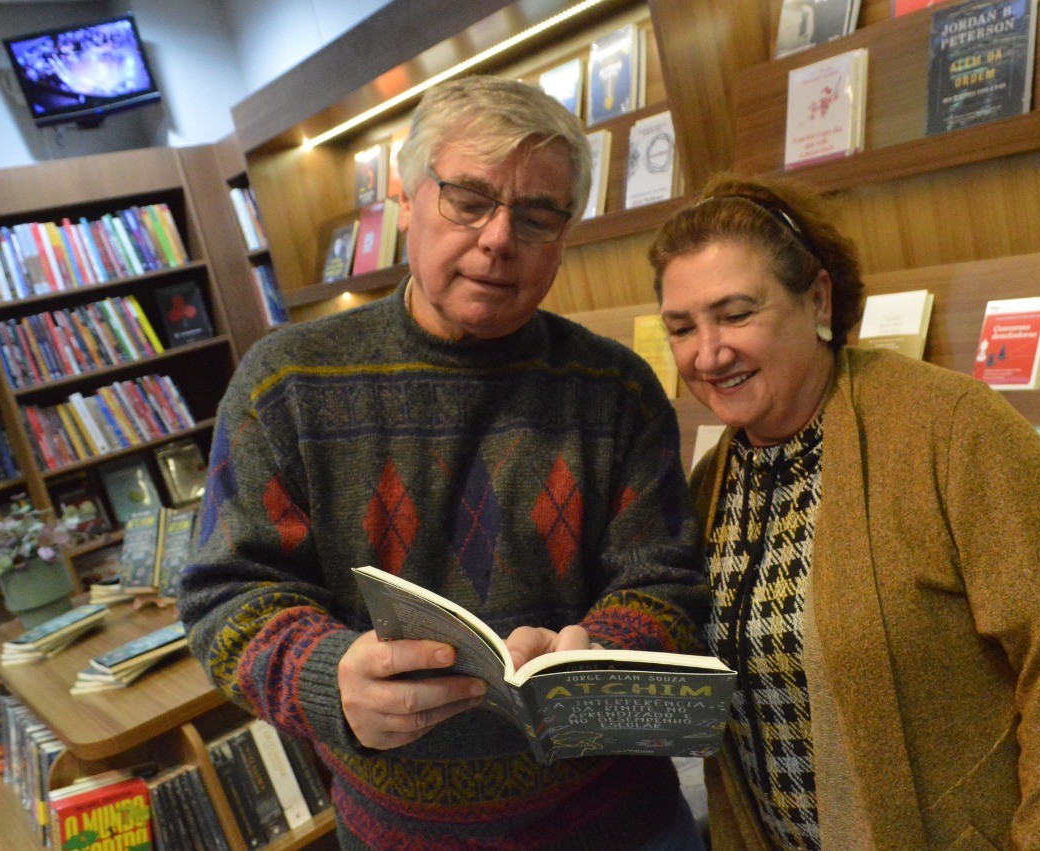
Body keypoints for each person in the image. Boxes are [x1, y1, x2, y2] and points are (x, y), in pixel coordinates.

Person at [179, 75, 709, 850]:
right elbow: (227, 597)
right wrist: (329, 677)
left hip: (622, 823)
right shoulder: (286, 385)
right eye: (468, 198)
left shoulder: (617, 388)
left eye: (537, 215)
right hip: (400, 834)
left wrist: (597, 656)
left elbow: (668, 586)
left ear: (565, 235)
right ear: (406, 202)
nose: (499, 238)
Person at [647, 174, 1040, 849]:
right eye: (682, 328)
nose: (708, 352)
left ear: (817, 297)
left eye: (735, 314)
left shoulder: (953, 427)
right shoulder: (709, 483)